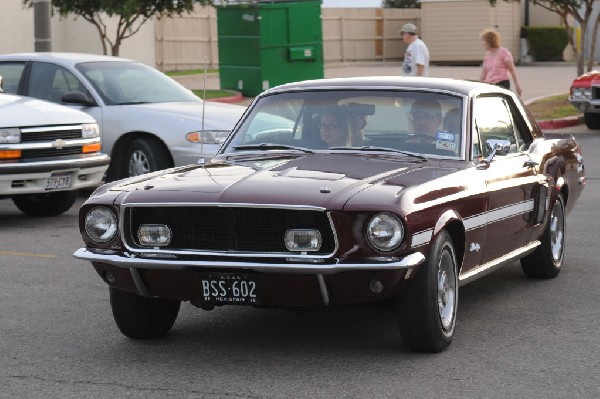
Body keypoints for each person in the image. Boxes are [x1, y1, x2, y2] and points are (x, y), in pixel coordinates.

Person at [479, 28, 523, 96]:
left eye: (483, 41)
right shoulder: (487, 54)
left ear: (489, 41)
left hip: (502, 83)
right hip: (490, 84)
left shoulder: (504, 52)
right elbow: (484, 73)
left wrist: (517, 85)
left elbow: (512, 70)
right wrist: (478, 85)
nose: (482, 44)